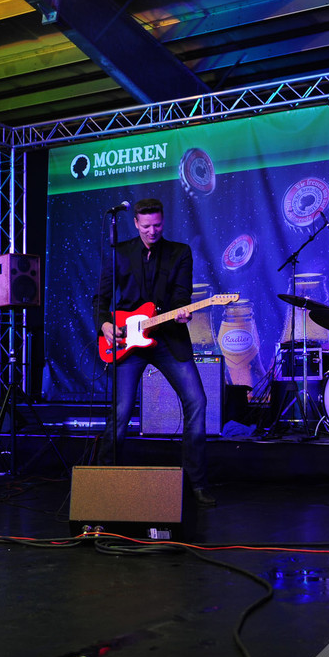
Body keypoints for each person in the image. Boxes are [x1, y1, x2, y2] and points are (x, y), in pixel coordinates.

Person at [92, 198, 214, 507]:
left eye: (157, 225)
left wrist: (182, 312)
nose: (152, 231)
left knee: (197, 401)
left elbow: (182, 295)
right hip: (127, 342)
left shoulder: (180, 253)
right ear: (135, 223)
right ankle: (105, 483)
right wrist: (105, 325)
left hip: (167, 338)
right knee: (120, 412)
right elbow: (100, 299)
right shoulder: (119, 253)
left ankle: (197, 484)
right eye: (146, 226)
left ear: (163, 221)